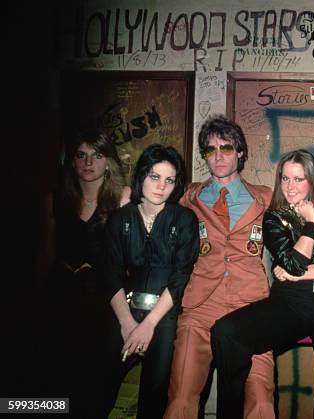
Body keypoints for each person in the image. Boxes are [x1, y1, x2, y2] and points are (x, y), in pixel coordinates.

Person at [211, 149, 314, 419]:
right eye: (285, 178)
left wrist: (300, 273)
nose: (290, 187)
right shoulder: (273, 218)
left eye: (299, 179)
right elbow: (293, 262)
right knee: (225, 332)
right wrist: (310, 225)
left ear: (312, 182)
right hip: (290, 304)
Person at [165, 115, 275, 419]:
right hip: (200, 306)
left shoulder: (265, 198)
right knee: (181, 399)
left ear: (240, 152)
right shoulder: (191, 197)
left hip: (250, 307)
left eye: (226, 148)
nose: (218, 156)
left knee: (261, 400)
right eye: (210, 150)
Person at [35, 129, 130, 415]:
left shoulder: (122, 198)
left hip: (103, 295)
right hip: (61, 290)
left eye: (97, 155)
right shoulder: (56, 197)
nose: (89, 163)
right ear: (72, 161)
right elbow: (46, 252)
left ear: (108, 161)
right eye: (81, 155)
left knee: (98, 375)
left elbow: (125, 258)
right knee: (54, 375)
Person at [103, 144, 199, 419]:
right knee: (99, 379)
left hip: (164, 314)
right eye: (154, 176)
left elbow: (180, 278)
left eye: (169, 180)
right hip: (125, 310)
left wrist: (148, 325)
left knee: (154, 394)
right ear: (142, 176)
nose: (161, 186)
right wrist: (127, 323)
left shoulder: (184, 220)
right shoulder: (121, 219)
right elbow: (111, 273)